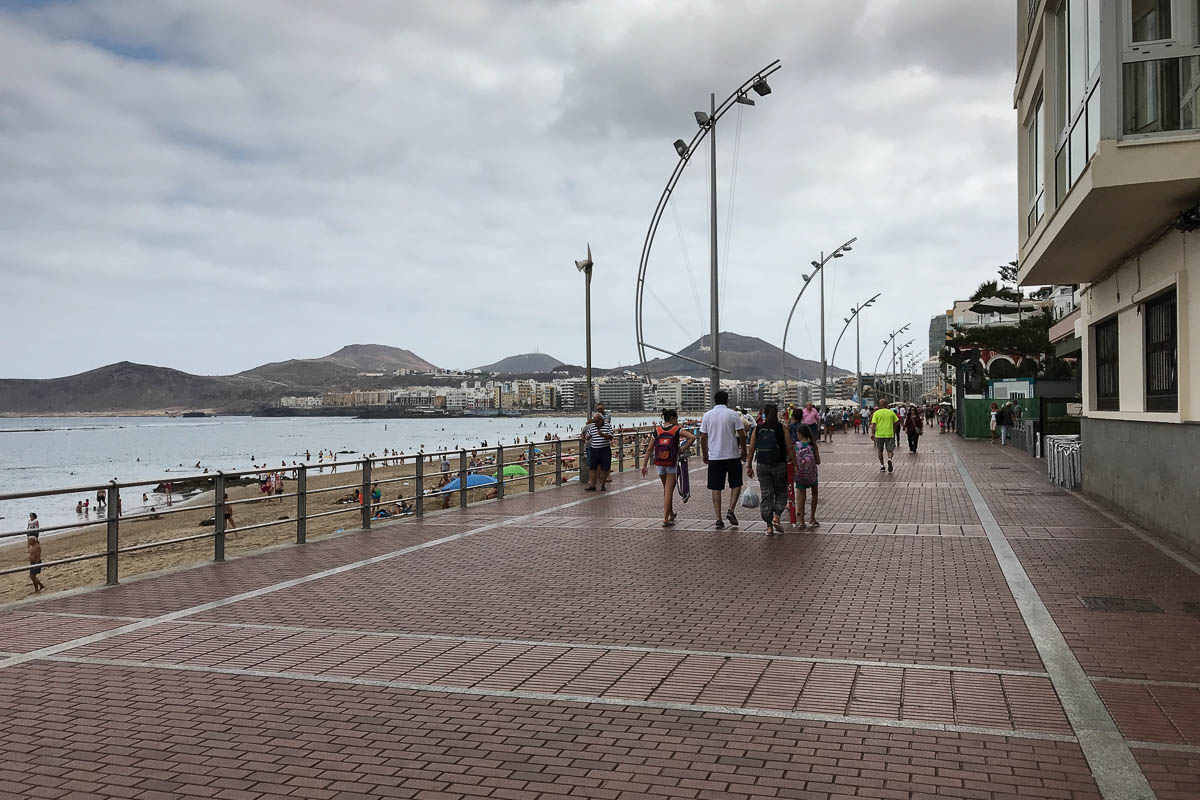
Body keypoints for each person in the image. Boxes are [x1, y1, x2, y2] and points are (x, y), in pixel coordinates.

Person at [699, 389, 747, 530]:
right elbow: (742, 434)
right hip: (732, 455)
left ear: (714, 400)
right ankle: (731, 509)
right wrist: (743, 450)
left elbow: (703, 436)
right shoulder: (733, 414)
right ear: (727, 400)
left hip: (715, 457)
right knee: (736, 483)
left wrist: (705, 453)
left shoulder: (707, 415)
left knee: (716, 487)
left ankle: (718, 518)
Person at [641, 409, 696, 527]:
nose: (677, 421)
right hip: (671, 463)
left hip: (659, 463)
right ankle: (666, 518)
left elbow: (649, 449)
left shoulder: (657, 430)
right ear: (672, 418)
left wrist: (644, 465)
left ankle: (670, 513)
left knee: (666, 490)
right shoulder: (676, 429)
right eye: (676, 418)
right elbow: (692, 437)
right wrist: (683, 448)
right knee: (668, 491)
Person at [745, 404, 794, 536]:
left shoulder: (758, 428)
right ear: (777, 413)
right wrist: (794, 464)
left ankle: (768, 527)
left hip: (762, 465)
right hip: (780, 464)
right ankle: (776, 516)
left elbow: (752, 448)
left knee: (766, 494)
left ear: (765, 414)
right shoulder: (782, 428)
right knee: (781, 492)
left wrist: (749, 465)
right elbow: (789, 447)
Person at [791, 422, 821, 530]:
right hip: (812, 474)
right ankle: (812, 517)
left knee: (801, 496)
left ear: (799, 434)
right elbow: (818, 461)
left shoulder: (795, 446)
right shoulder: (813, 445)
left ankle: (801, 521)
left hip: (800, 474)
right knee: (814, 494)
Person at [581, 412, 613, 491]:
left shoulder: (608, 426)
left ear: (602, 420)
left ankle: (603, 484)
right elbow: (588, 436)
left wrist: (603, 435)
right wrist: (587, 437)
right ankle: (592, 485)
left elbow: (611, 437)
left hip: (604, 449)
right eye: (594, 421)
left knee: (605, 468)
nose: (596, 423)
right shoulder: (592, 427)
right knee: (592, 468)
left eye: (597, 421)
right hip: (594, 449)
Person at [870, 400, 899, 473]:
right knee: (890, 450)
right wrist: (893, 429)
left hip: (879, 434)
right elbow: (896, 422)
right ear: (887, 405)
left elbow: (873, 425)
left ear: (880, 405)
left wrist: (873, 434)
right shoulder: (891, 412)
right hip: (889, 433)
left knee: (880, 450)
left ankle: (882, 465)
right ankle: (889, 459)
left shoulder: (876, 413)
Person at [27, 529, 44, 593]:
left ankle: (38, 587)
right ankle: (39, 586)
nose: (29, 542)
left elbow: (38, 556)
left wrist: (36, 564)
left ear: (33, 540)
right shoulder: (33, 546)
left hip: (36, 563)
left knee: (32, 576)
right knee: (32, 576)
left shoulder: (37, 547)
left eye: (30, 541)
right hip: (32, 563)